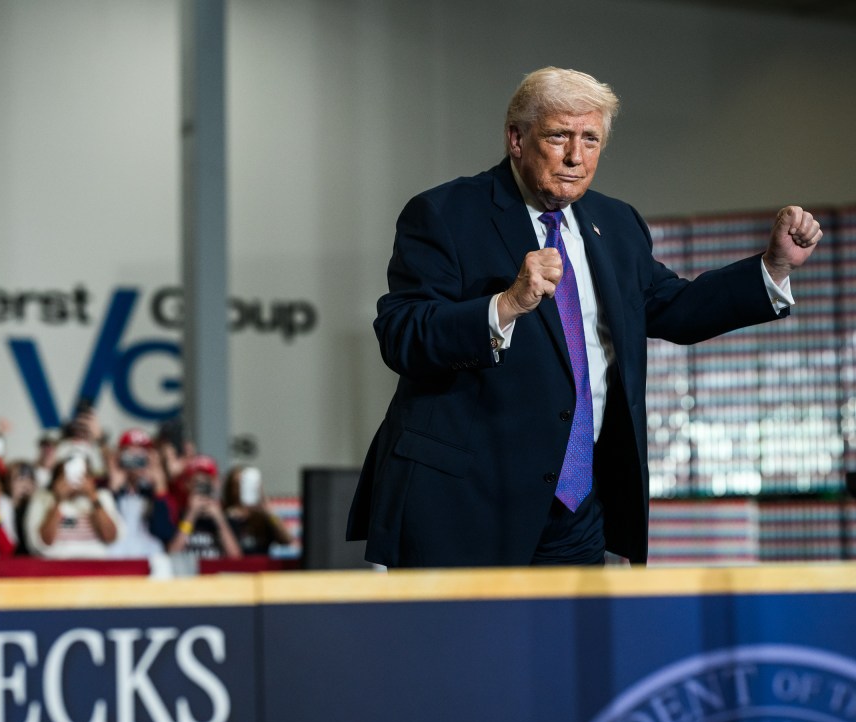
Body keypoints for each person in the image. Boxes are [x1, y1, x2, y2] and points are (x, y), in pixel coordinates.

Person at [347, 66, 823, 568]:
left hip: (575, 507)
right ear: (516, 137)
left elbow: (671, 307)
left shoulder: (615, 223)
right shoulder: (444, 214)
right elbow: (401, 335)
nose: (576, 156)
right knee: (471, 648)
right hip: (464, 505)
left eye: (590, 139)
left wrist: (771, 267)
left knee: (571, 647)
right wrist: (505, 306)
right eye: (559, 136)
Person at [25, 454, 121, 559]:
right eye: (69, 474)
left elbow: (110, 537)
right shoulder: (41, 498)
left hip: (95, 566)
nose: (75, 480)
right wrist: (58, 500)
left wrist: (93, 498)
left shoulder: (102, 496)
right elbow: (44, 542)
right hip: (55, 566)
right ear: (56, 478)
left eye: (81, 474)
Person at [107, 428, 175, 558]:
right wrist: (113, 491)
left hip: (149, 561)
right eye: (130, 454)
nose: (136, 459)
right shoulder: (108, 488)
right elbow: (105, 530)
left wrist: (159, 489)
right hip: (114, 560)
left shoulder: (157, 491)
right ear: (119, 456)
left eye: (141, 454)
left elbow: (163, 533)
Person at [168, 455, 242, 560]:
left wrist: (219, 519)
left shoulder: (229, 517)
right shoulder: (179, 515)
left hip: (217, 574)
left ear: (216, 483)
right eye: (197, 482)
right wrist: (191, 515)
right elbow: (173, 554)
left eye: (207, 482)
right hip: (189, 574)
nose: (202, 487)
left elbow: (236, 558)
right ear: (188, 485)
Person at [222, 465, 293, 556]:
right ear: (230, 488)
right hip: (233, 568)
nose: (241, 489)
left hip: (262, 568)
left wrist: (268, 509)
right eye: (237, 484)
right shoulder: (224, 517)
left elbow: (287, 539)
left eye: (245, 484)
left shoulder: (263, 517)